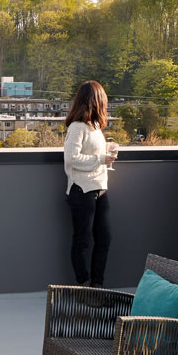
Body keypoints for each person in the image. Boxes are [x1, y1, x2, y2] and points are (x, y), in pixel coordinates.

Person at [63, 80, 117, 287]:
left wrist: (107, 149)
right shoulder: (77, 127)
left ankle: (97, 286)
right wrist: (100, 159)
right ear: (95, 101)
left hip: (100, 190)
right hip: (82, 190)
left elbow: (90, 151)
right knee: (82, 241)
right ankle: (84, 285)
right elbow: (71, 158)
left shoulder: (94, 127)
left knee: (104, 240)